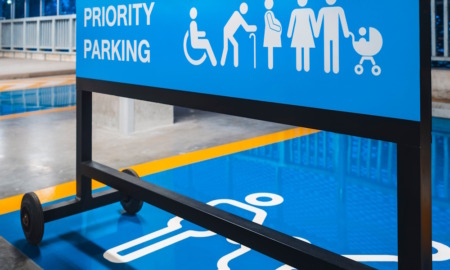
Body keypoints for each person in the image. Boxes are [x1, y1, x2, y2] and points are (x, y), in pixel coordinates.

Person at [315, 0, 350, 74]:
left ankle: (335, 67)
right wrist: (316, 32)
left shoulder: (338, 9)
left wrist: (346, 32)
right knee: (327, 49)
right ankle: (327, 67)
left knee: (335, 49)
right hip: (327, 34)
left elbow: (343, 21)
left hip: (334, 33)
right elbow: (319, 21)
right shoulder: (323, 10)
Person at [220, 2, 257, 67]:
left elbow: (246, 28)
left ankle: (225, 63)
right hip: (227, 32)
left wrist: (253, 28)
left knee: (229, 47)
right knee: (230, 46)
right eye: (245, 9)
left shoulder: (238, 15)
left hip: (227, 32)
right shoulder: (237, 15)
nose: (245, 11)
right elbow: (247, 28)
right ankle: (232, 64)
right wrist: (254, 28)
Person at [287, 0, 317, 72]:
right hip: (299, 35)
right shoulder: (295, 11)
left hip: (306, 34)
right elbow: (291, 23)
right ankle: (299, 67)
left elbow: (313, 22)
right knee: (299, 50)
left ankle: (305, 68)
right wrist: (289, 33)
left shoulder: (309, 11)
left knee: (305, 49)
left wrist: (289, 34)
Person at [264, 0, 282, 70]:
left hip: (271, 35)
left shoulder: (270, 13)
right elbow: (271, 25)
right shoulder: (268, 13)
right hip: (270, 35)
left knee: (271, 49)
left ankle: (271, 66)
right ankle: (270, 66)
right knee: (270, 49)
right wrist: (279, 28)